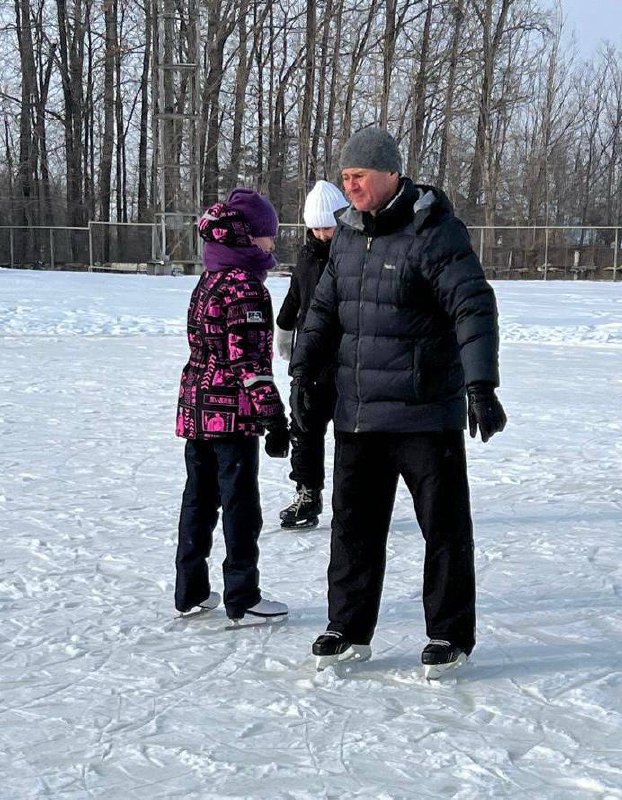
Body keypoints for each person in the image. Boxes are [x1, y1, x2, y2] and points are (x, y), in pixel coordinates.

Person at [289, 128, 507, 677]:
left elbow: (473, 307)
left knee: (444, 528)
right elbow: (323, 308)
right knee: (353, 528)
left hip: (423, 411)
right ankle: (348, 628)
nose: (351, 186)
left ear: (391, 174)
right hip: (358, 412)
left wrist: (481, 386)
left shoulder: (432, 230)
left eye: (359, 176)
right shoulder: (345, 235)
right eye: (345, 178)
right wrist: (302, 373)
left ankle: (449, 635)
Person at [174, 188, 290, 622]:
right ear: (247, 237)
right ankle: (243, 595)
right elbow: (250, 361)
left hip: (196, 407)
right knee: (240, 506)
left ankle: (191, 591)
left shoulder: (209, 278)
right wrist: (273, 416)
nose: (271, 244)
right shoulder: (244, 287)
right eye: (266, 236)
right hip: (231, 417)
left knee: (198, 502)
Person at [275, 180, 347, 529]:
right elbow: (294, 295)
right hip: (310, 359)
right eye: (316, 227)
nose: (322, 233)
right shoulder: (306, 256)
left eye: (328, 226)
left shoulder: (352, 254)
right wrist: (284, 327)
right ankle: (307, 493)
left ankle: (353, 499)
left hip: (346, 357)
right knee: (304, 426)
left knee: (353, 435)